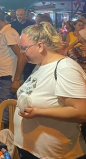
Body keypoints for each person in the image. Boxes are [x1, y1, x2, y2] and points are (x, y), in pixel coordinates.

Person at [15, 22, 86, 158]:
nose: (21, 52)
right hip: (32, 150)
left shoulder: (65, 68)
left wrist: (38, 112)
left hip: (54, 154)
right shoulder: (40, 64)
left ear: (40, 46)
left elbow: (82, 111)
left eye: (24, 48)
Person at [0, 7, 26, 123]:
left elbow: (21, 56)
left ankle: (5, 138)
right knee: (2, 108)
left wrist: (16, 80)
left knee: (6, 112)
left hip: (7, 78)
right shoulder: (1, 32)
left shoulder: (9, 33)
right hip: (0, 77)